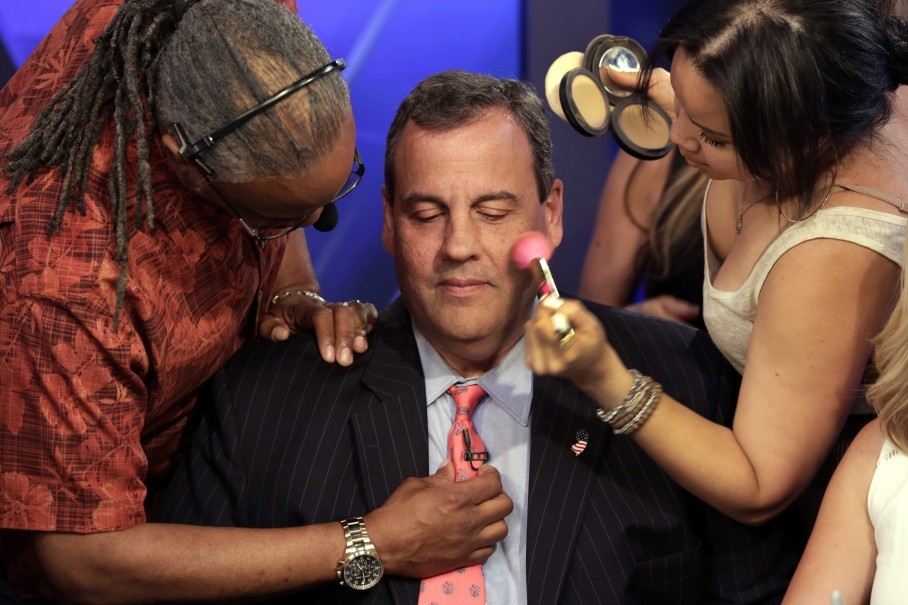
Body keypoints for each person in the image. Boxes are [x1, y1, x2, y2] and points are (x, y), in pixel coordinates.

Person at [154, 69, 804, 605]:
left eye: (492, 212)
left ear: (550, 214)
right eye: (427, 213)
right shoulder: (267, 403)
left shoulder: (680, 376)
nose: (459, 246)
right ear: (387, 220)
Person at [0, 0, 380, 601]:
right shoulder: (67, 288)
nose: (319, 222)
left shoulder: (230, 25)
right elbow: (86, 560)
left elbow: (281, 143)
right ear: (187, 159)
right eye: (274, 215)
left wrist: (292, 287)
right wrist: (368, 543)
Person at [526, 0, 908, 528]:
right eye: (681, 105)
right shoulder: (812, 76)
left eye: (714, 138)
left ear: (804, 136)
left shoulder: (833, 253)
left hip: (806, 525)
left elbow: (759, 484)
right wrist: (678, 93)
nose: (679, 139)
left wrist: (608, 380)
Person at [579, 148, 707, 327]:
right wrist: (636, 324)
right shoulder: (657, 141)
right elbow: (590, 320)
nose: (680, 132)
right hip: (664, 351)